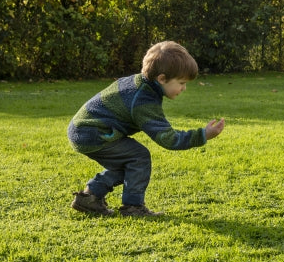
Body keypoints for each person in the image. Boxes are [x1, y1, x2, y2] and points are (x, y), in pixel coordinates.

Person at [67, 41, 225, 217]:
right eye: (181, 82)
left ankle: (89, 197)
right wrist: (202, 135)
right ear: (162, 78)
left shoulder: (139, 83)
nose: (184, 88)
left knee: (129, 163)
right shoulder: (144, 100)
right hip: (93, 132)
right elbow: (168, 139)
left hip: (82, 129)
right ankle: (133, 208)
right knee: (138, 157)